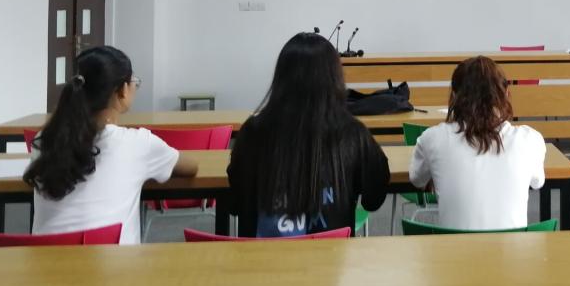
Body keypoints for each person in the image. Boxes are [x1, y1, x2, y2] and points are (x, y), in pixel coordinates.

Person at [24, 46, 197, 245]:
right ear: (122, 91)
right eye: (134, 82)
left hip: (46, 262)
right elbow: (191, 167)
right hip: (115, 263)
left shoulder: (45, 140)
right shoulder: (139, 144)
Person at [228, 32, 389, 237]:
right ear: (334, 78)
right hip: (333, 256)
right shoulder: (353, 134)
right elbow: (374, 199)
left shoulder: (252, 132)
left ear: (281, 79)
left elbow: (235, 204)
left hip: (263, 257)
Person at [409, 56, 545, 230]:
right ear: (505, 93)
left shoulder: (432, 138)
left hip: (452, 248)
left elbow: (417, 180)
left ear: (454, 96)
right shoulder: (530, 139)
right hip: (513, 248)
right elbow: (537, 182)